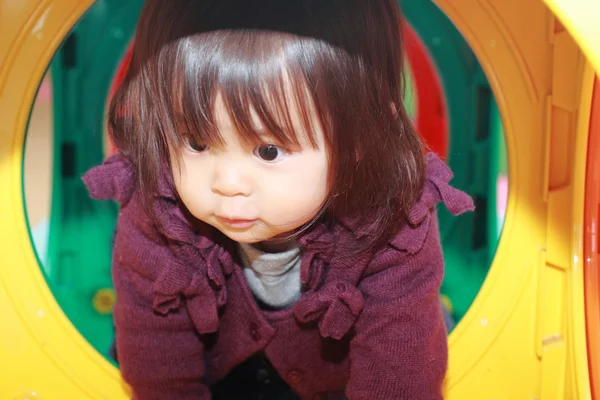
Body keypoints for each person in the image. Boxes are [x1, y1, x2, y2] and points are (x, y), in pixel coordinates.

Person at [83, 0, 474, 399]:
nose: (227, 183)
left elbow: (398, 376)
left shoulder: (392, 220)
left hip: (340, 375)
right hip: (227, 372)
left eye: (268, 151)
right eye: (196, 142)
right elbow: (157, 357)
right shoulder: (158, 208)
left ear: (363, 138)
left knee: (420, 334)